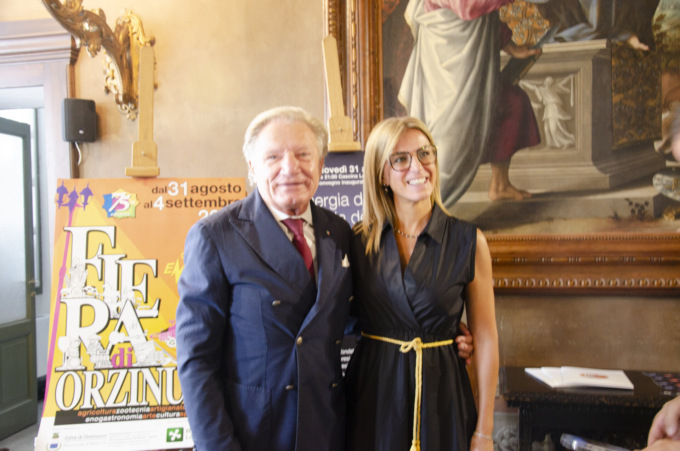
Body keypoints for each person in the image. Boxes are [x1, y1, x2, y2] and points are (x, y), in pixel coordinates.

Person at [176, 106, 475, 451]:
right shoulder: (216, 236)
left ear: (320, 165)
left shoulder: (340, 232)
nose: (291, 167)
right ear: (253, 167)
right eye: (273, 156)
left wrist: (442, 330)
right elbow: (196, 360)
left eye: (303, 154)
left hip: (329, 430)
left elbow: (361, 315)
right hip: (253, 435)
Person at [345, 116, 499, 451]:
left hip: (443, 398)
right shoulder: (357, 242)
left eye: (424, 153)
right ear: (381, 175)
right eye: (400, 159)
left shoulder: (469, 241)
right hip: (374, 398)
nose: (418, 166)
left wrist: (485, 431)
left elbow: (486, 338)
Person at [398, 0, 542, 205]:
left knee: (511, 102)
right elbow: (467, 7)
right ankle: (424, 205)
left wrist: (513, 48)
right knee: (451, 142)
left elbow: (486, 19)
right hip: (449, 68)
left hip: (470, 60)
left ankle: (500, 185)